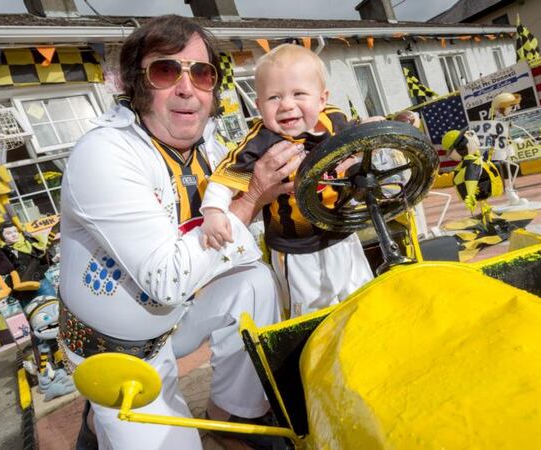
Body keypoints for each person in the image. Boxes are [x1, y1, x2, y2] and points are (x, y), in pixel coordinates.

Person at [59, 15, 302, 450]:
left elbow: (238, 241)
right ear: (136, 84)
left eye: (202, 73)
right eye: (166, 71)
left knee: (254, 282)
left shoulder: (208, 146)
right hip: (119, 351)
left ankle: (230, 414)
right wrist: (250, 201)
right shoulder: (103, 154)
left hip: (175, 320)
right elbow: (166, 279)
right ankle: (101, 420)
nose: (187, 88)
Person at [200, 44, 373, 318]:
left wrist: (379, 126)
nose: (287, 105)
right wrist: (213, 211)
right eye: (274, 97)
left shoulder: (333, 121)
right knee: (312, 313)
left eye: (299, 94)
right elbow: (225, 176)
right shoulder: (261, 141)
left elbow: (361, 132)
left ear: (321, 99)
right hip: (296, 249)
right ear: (258, 106)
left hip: (343, 234)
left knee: (361, 296)